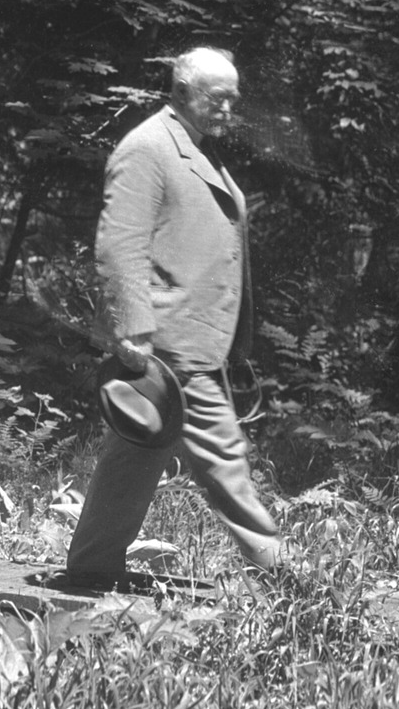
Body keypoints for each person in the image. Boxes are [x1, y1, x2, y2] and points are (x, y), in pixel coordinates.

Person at [66, 47, 280, 580]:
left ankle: (91, 568)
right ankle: (288, 577)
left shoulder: (197, 149)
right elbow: (120, 245)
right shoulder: (148, 148)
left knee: (133, 458)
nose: (230, 109)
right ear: (182, 92)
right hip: (168, 345)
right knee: (225, 460)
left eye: (235, 99)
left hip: (192, 338)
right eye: (218, 98)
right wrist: (132, 331)